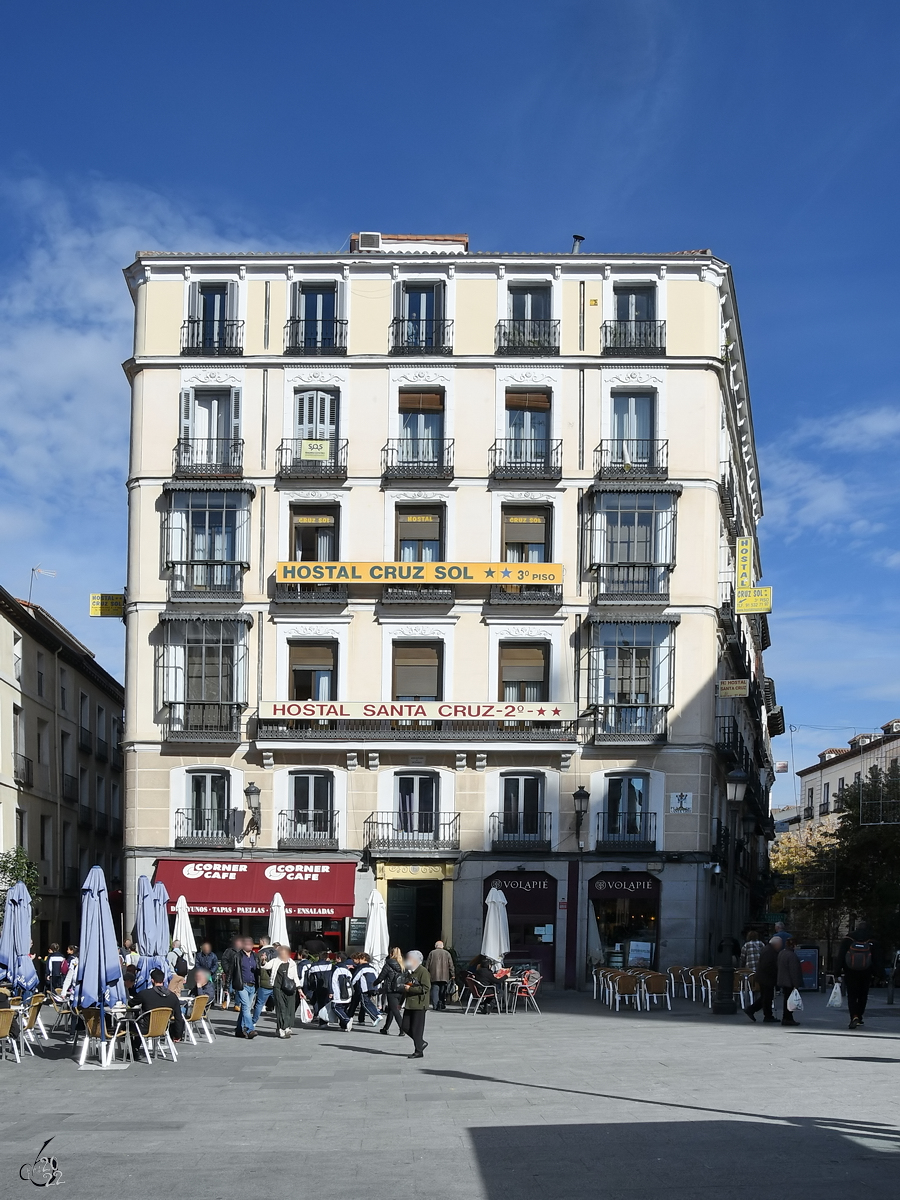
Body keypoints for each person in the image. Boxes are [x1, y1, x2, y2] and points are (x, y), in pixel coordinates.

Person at [838, 926, 876, 1029]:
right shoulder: (871, 940)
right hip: (866, 972)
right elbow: (877, 958)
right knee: (863, 995)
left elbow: (841, 956)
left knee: (852, 995)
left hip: (850, 972)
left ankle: (853, 1016)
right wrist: (879, 974)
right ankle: (859, 1016)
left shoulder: (848, 939)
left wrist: (837, 972)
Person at [135, 967, 185, 1042]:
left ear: (152, 980)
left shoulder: (145, 994)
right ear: (164, 980)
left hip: (145, 1028)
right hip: (163, 1027)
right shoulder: (173, 996)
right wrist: (177, 1035)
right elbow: (178, 1017)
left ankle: (134, 1050)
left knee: (129, 1025)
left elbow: (131, 1003)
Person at [225, 936, 259, 1039]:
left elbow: (259, 970)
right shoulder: (237, 956)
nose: (249, 945)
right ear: (243, 945)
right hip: (241, 985)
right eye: (247, 944)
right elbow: (230, 972)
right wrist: (226, 987)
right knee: (246, 1007)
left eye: (250, 944)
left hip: (252, 985)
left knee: (245, 1008)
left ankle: (239, 1030)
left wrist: (262, 963)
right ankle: (250, 1029)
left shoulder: (255, 956)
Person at [400, 951, 431, 1058]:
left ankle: (418, 1050)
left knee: (416, 1028)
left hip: (419, 1003)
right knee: (405, 1026)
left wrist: (410, 989)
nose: (406, 961)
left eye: (407, 958)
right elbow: (408, 986)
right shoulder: (410, 972)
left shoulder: (423, 971)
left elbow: (426, 987)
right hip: (409, 1003)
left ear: (414, 960)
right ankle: (421, 1043)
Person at [745, 935, 781, 1023]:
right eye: (780, 944)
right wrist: (775, 973)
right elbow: (767, 965)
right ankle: (766, 1015)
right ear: (776, 944)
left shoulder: (768, 949)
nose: (780, 946)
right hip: (766, 978)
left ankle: (754, 1010)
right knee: (767, 997)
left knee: (766, 997)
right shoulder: (769, 951)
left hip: (764, 977)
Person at [268, 945, 301, 1038]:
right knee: (281, 1008)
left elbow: (295, 977)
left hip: (290, 989)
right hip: (278, 988)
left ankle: (287, 1027)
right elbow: (266, 966)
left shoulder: (292, 963)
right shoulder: (275, 961)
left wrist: (299, 989)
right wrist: (263, 960)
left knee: (290, 1009)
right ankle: (282, 1028)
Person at [376, 947, 405, 1035]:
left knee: (395, 1011)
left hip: (391, 990)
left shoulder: (388, 964)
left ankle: (402, 1029)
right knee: (392, 1010)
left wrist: (374, 984)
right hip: (401, 990)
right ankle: (386, 1028)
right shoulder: (403, 965)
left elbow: (381, 977)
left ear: (391, 954)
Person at [347, 953, 381, 1027]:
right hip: (371, 988)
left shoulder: (361, 968)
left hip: (362, 989)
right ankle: (374, 1015)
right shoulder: (372, 968)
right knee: (367, 1002)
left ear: (363, 959)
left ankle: (375, 1016)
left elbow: (355, 978)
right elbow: (377, 978)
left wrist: (350, 985)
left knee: (364, 1004)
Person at [777, 938, 804, 1026]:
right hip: (790, 981)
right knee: (790, 1000)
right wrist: (796, 984)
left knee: (786, 1000)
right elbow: (794, 971)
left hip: (783, 980)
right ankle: (788, 1018)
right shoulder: (792, 956)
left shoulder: (782, 953)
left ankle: (786, 1017)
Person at [253, 937, 278, 1026]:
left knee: (259, 1004)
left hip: (264, 982)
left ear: (263, 942)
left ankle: (253, 1022)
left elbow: (257, 968)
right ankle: (281, 1024)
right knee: (279, 1005)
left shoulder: (260, 953)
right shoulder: (277, 952)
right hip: (276, 983)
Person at [425, 940, 455, 1011]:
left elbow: (427, 965)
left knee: (435, 990)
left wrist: (426, 973)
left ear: (436, 946)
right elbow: (451, 965)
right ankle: (442, 1004)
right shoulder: (447, 953)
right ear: (442, 946)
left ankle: (435, 1006)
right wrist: (452, 974)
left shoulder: (432, 953)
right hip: (445, 976)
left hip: (434, 975)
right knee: (443, 990)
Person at [330, 954, 356, 1031]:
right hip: (348, 993)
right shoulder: (347, 970)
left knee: (335, 1007)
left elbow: (332, 981)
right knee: (344, 1008)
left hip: (338, 992)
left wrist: (331, 991)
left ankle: (346, 1020)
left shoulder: (335, 968)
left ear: (339, 959)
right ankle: (344, 1025)